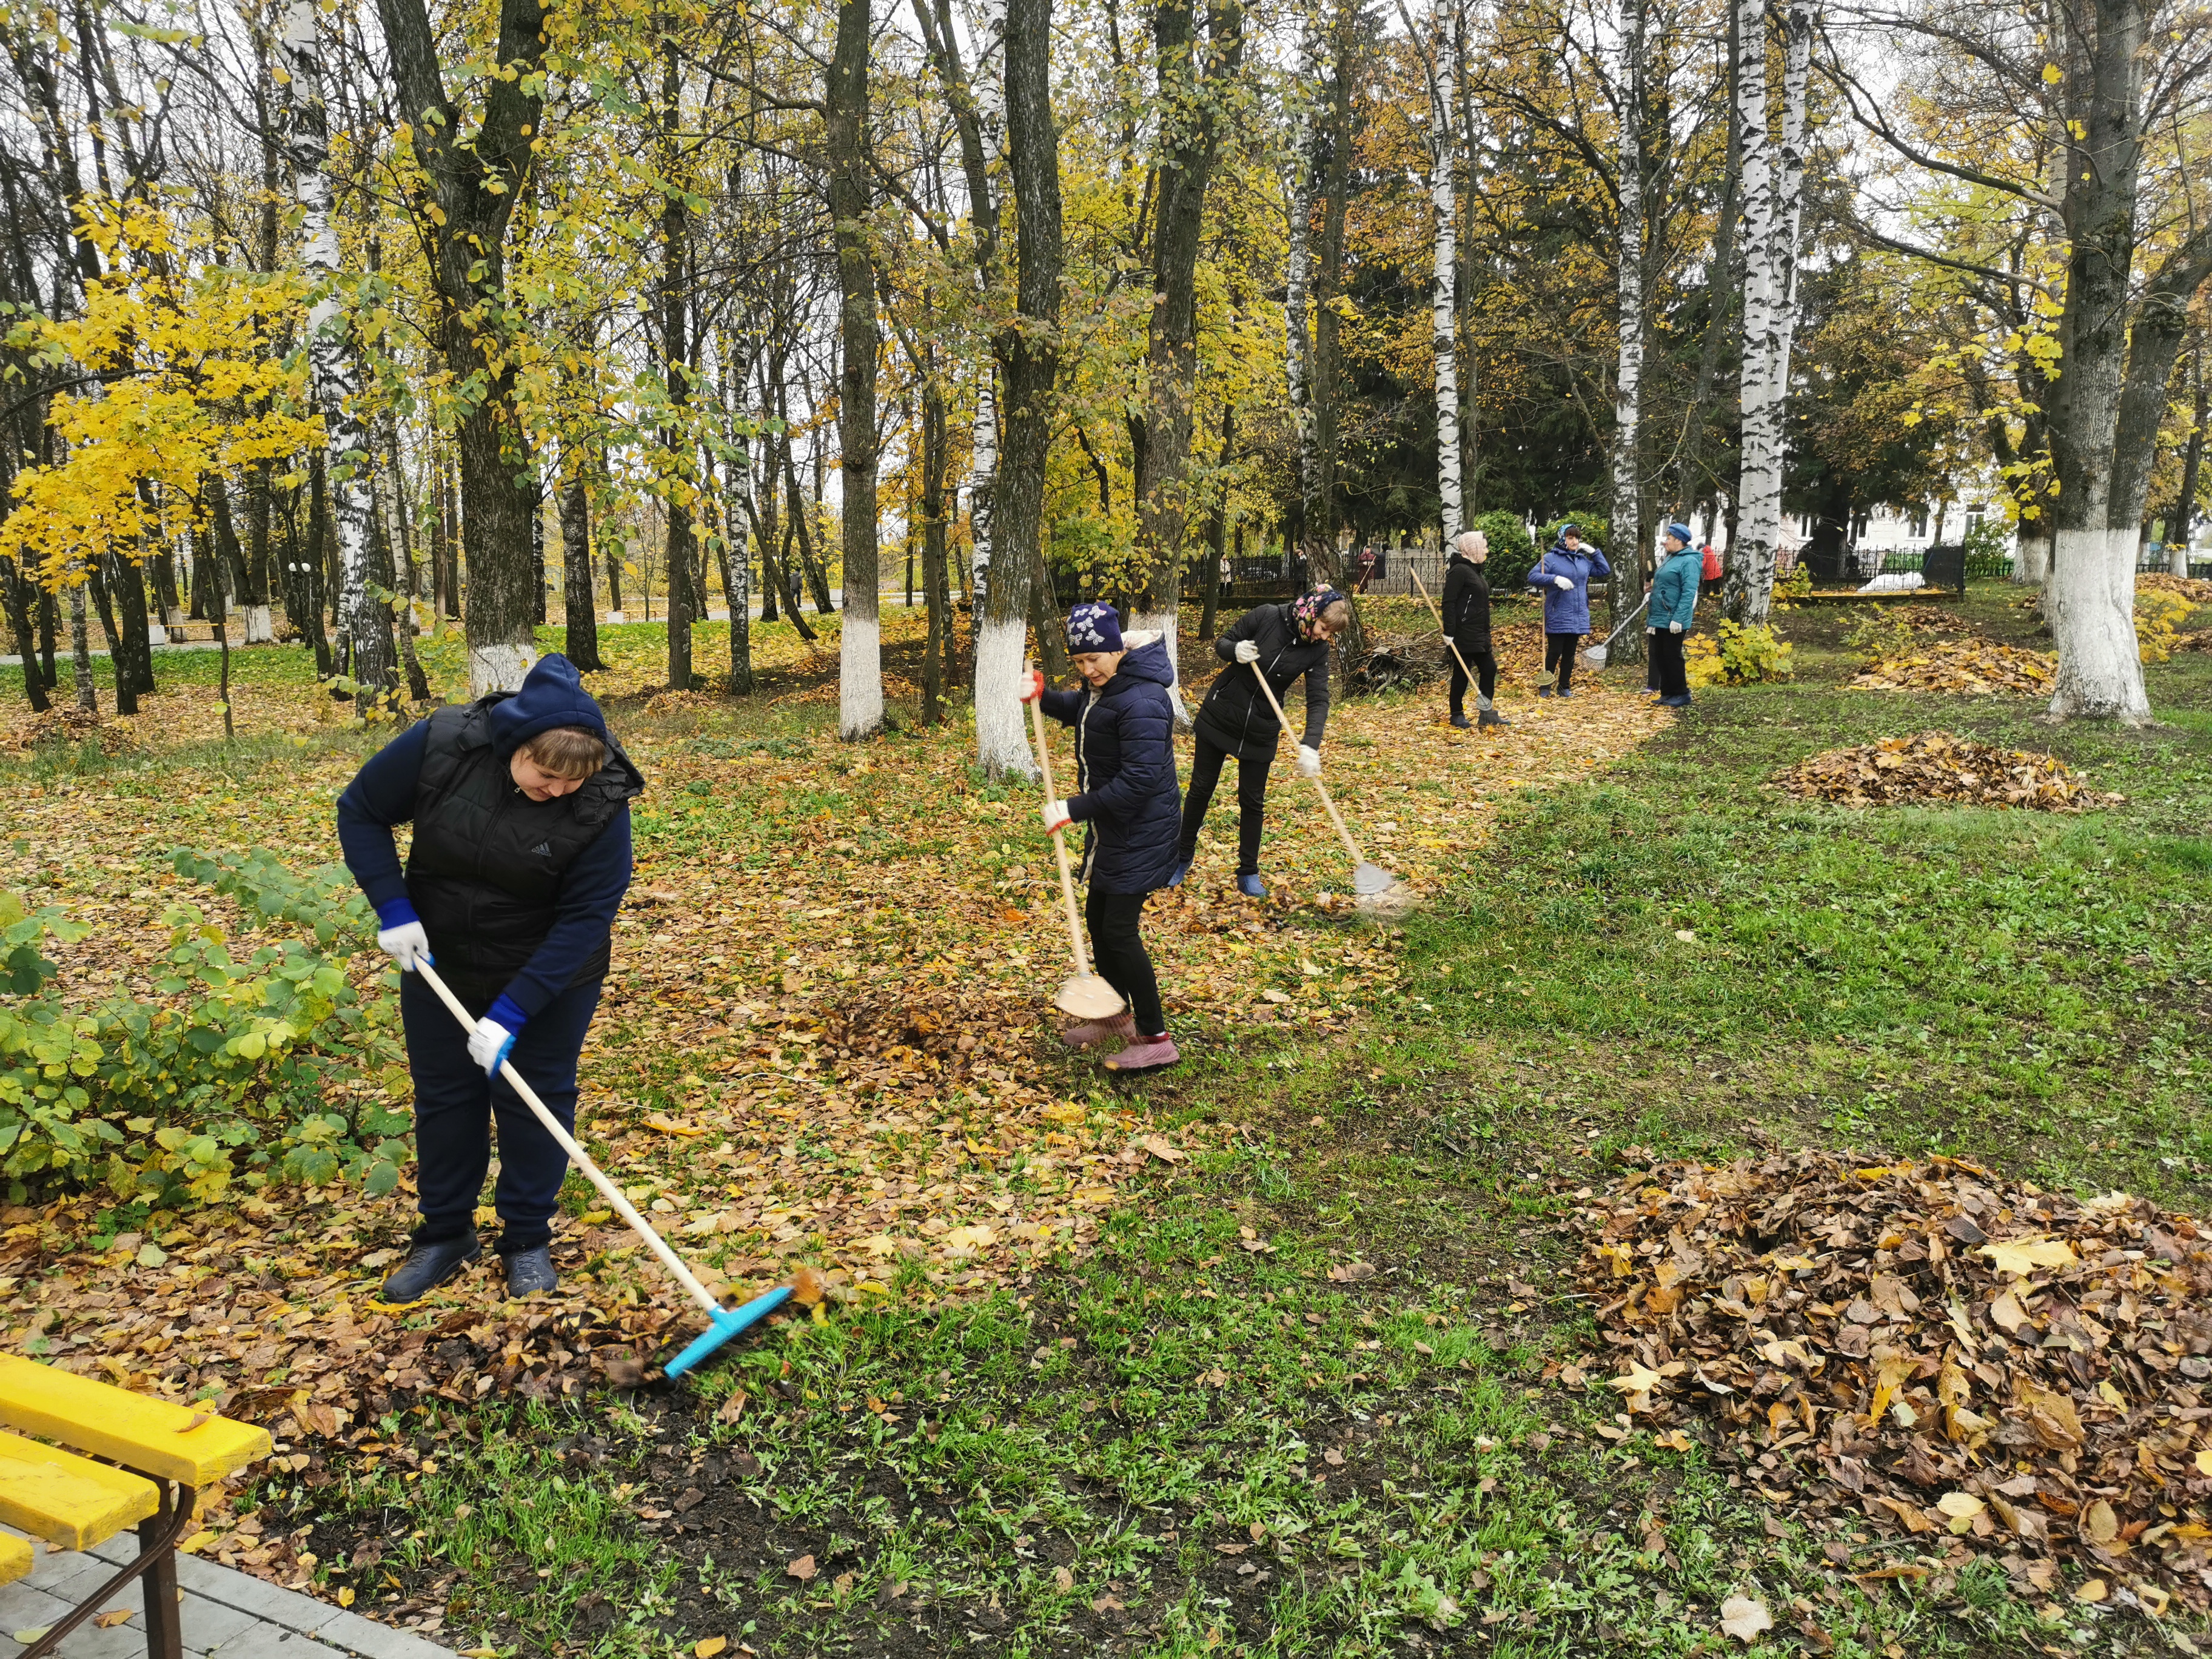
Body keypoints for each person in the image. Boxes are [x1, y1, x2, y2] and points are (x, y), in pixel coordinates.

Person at [337, 654, 644, 1304]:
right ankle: (446, 1235)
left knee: (535, 1098)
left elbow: (586, 916)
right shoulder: (444, 744)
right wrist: (393, 909)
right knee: (446, 1097)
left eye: (573, 781)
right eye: (546, 775)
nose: (559, 791)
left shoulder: (602, 800)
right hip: (438, 957)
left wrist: (513, 1012)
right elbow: (361, 808)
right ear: (513, 746)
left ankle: (527, 1240)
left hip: (549, 968)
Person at [1023, 603, 1182, 1073]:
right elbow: (1084, 710)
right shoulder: (1109, 688)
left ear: (1118, 648)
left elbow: (1139, 781)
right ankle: (1116, 1017)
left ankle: (1156, 1038)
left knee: (1118, 930)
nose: (1088, 670)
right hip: (1115, 827)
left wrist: (1072, 809)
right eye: (1079, 662)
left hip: (1142, 829)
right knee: (1098, 919)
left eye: (1096, 659)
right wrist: (1043, 695)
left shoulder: (1144, 699)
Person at [1173, 585, 1351, 898]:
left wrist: (1311, 744)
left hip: (1262, 726)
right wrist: (1236, 651)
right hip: (1222, 713)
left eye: (1329, 634)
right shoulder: (1268, 615)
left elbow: (1319, 697)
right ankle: (1181, 857)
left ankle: (1248, 873)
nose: (1325, 637)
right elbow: (1222, 642)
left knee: (1252, 801)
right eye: (1324, 629)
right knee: (1201, 788)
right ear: (1311, 614)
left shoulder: (1317, 649)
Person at [1527, 523, 1612, 698]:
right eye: (1570, 537)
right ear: (1562, 539)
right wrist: (1555, 579)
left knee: (1570, 653)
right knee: (1554, 651)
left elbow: (1604, 570)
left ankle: (1564, 687)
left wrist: (1593, 551)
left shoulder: (1582, 561)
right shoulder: (1551, 558)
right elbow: (1533, 576)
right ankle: (1546, 686)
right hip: (1558, 612)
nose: (1574, 541)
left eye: (1577, 538)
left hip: (1578, 613)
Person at [1440, 529, 1506, 729]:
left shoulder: (1474, 570)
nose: (1486, 550)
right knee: (1462, 672)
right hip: (1463, 633)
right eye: (1484, 546)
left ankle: (1486, 713)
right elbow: (1448, 602)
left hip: (1479, 632)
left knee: (1489, 669)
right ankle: (1457, 714)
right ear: (1473, 548)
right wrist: (1449, 632)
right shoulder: (1459, 571)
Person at [1647, 521, 1703, 707]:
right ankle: (1668, 692)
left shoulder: (1689, 560)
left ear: (1679, 540)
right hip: (1661, 615)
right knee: (1661, 655)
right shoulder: (1672, 557)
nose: (1666, 542)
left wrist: (1678, 618)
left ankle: (1682, 693)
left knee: (1672, 655)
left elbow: (1689, 592)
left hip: (1674, 617)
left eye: (1669, 539)